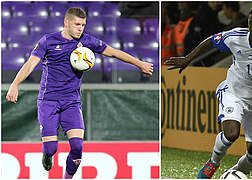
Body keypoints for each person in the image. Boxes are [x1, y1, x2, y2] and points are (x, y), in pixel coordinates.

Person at [6, 7, 153, 179]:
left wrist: (139, 64)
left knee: (77, 147)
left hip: (72, 102)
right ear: (66, 22)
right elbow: (30, 64)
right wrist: (15, 84)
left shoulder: (87, 41)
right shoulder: (48, 41)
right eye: (77, 24)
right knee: (52, 148)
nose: (80, 28)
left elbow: (113, 52)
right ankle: (47, 154)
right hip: (48, 101)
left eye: (83, 25)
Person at [165, 4, 252, 178]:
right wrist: (188, 58)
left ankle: (233, 174)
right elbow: (211, 40)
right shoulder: (236, 36)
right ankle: (213, 163)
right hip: (234, 93)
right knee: (231, 133)